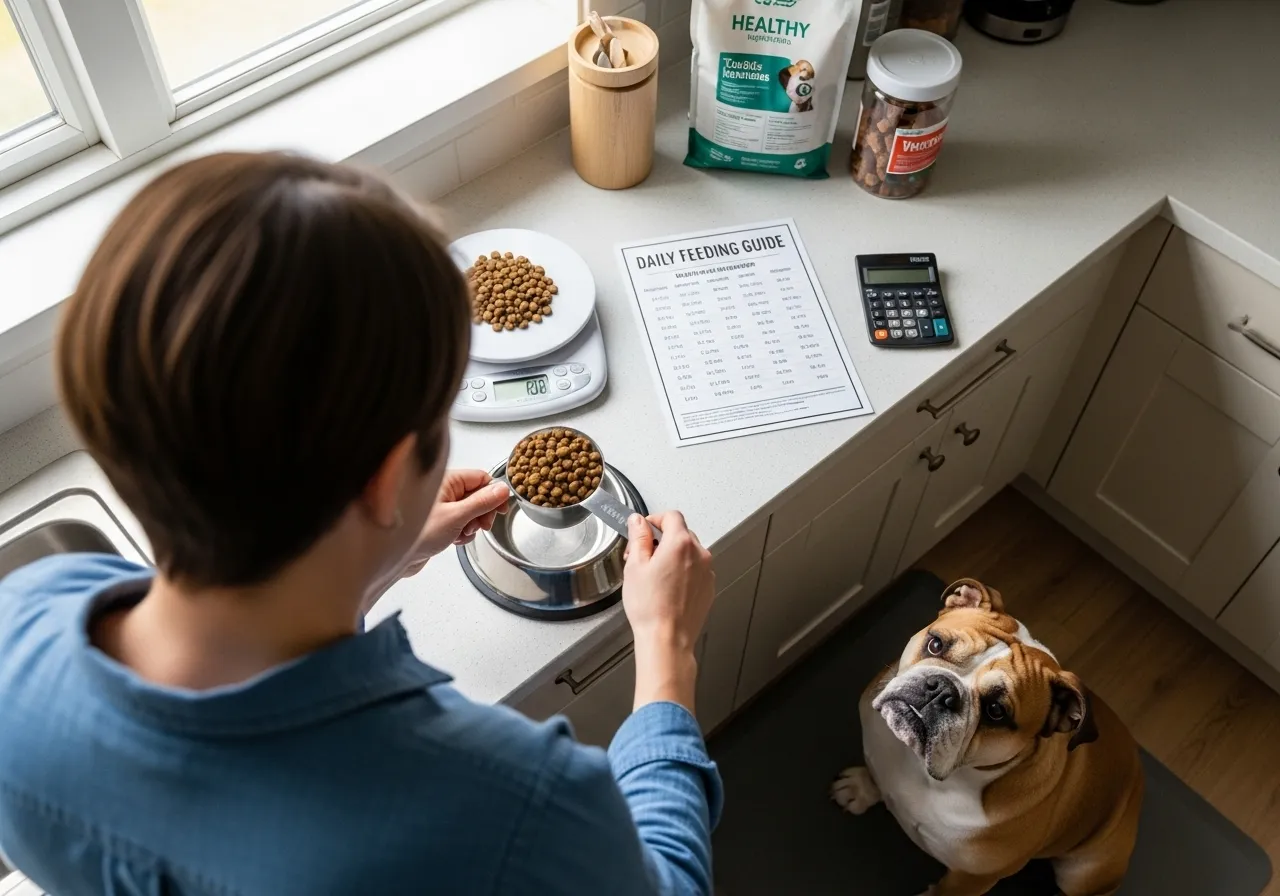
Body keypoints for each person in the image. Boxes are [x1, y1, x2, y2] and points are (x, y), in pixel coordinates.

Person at [0, 153, 721, 895]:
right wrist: (668, 651)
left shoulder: (19, 620)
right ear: (383, 480)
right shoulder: (515, 803)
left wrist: (374, 556)